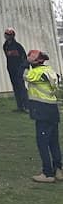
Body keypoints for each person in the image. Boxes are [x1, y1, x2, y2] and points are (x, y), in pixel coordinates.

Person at [24, 49, 62, 184]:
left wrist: (25, 64)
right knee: (53, 142)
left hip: (42, 110)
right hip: (52, 109)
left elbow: (25, 76)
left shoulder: (36, 73)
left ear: (35, 61)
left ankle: (47, 173)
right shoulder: (49, 70)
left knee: (42, 143)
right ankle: (58, 170)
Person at [3, 27, 28, 111]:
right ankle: (20, 107)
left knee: (21, 87)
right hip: (11, 69)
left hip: (19, 69)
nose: (6, 36)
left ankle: (26, 107)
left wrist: (24, 68)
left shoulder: (18, 46)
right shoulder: (5, 46)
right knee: (15, 88)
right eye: (6, 34)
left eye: (9, 34)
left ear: (12, 36)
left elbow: (24, 57)